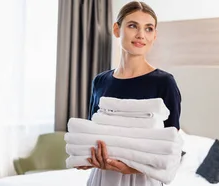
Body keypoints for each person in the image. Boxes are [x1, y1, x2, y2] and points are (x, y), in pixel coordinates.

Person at [73, 1, 182, 185]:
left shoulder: (164, 83)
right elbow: (93, 133)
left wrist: (132, 167)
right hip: (102, 177)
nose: (141, 35)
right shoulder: (100, 81)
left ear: (155, 35)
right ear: (117, 29)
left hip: (143, 179)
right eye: (133, 26)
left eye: (148, 29)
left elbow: (172, 149)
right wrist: (88, 158)